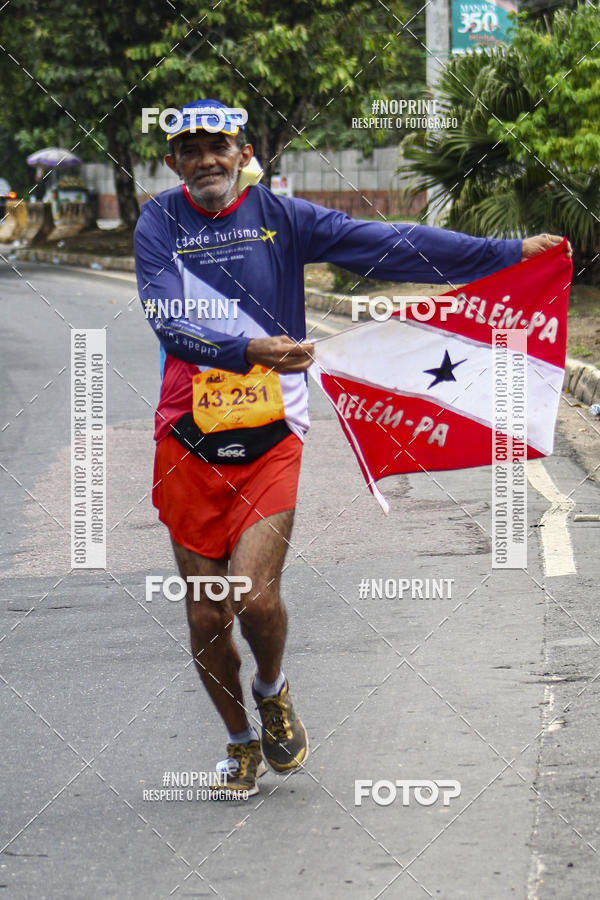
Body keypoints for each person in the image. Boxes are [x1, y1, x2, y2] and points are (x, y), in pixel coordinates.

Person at [134, 98, 568, 798]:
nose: (207, 158)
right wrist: (251, 348)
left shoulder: (282, 218)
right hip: (186, 436)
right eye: (191, 148)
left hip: (274, 433)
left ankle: (271, 688)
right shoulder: (160, 221)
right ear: (172, 161)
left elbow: (392, 244)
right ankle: (241, 741)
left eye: (219, 145)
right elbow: (168, 319)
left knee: (251, 593)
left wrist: (506, 254)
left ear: (243, 152)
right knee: (207, 610)